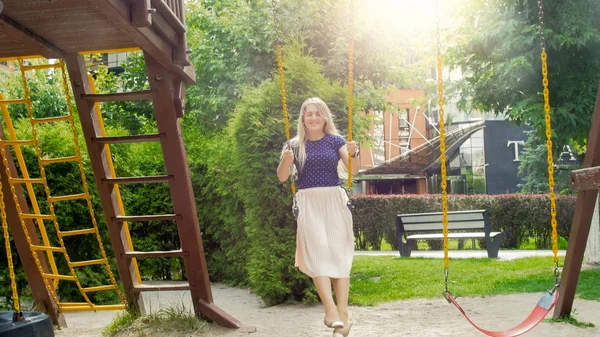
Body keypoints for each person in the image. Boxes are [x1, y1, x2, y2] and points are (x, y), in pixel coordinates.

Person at [276, 97, 359, 337]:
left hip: (333, 200)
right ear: (303, 118)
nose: (313, 117)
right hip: (309, 202)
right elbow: (282, 177)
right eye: (309, 114)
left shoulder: (336, 141)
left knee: (340, 256)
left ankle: (343, 315)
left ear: (324, 118)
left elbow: (353, 171)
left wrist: (354, 154)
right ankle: (330, 310)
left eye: (318, 113)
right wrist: (285, 160)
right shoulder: (293, 145)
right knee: (318, 254)